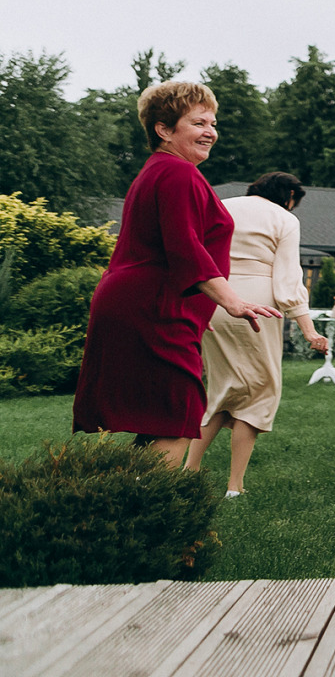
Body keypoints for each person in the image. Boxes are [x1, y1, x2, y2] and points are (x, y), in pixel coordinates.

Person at [73, 81, 282, 467]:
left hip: (153, 304)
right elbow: (185, 249)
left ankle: (125, 505)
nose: (211, 132)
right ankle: (154, 519)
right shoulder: (177, 174)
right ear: (164, 130)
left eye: (213, 123)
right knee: (175, 413)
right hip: (151, 308)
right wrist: (231, 302)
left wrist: (200, 310)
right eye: (199, 122)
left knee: (159, 416)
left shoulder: (163, 171)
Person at [185, 172, 329, 494]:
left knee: (222, 390)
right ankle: (235, 486)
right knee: (259, 394)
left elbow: (196, 253)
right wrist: (308, 329)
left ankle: (188, 470)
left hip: (215, 300)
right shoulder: (284, 219)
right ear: (289, 195)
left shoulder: (223, 205)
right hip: (258, 308)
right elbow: (289, 280)